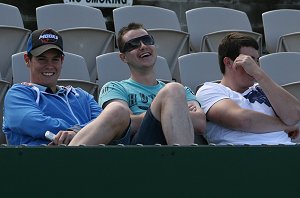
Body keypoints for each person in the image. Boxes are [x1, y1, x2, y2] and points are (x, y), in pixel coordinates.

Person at [69, 22, 206, 146]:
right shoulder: (115, 88)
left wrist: (139, 117)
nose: (142, 46)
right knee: (120, 109)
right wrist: (173, 112)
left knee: (174, 89)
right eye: (133, 44)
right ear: (123, 57)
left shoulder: (181, 91)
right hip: (135, 148)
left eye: (147, 40)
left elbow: (200, 123)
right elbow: (122, 122)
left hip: (168, 146)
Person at [3, 28, 130, 146]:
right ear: (27, 59)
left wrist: (76, 132)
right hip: (38, 164)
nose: (49, 65)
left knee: (118, 112)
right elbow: (34, 123)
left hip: (87, 162)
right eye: (42, 59)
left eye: (55, 59)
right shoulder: (18, 93)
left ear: (62, 60)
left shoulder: (82, 96)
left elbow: (104, 123)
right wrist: (84, 130)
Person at [196, 32, 300, 145]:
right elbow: (243, 120)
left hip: (288, 152)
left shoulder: (263, 87)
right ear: (228, 63)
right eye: (248, 61)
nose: (254, 66)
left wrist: (259, 74)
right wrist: (285, 126)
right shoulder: (209, 90)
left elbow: (294, 115)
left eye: (256, 61)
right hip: (245, 155)